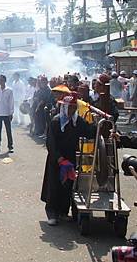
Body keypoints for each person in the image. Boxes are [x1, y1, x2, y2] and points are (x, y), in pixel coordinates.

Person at [41, 93, 95, 226]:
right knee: (54, 185)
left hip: (70, 159)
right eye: (69, 108)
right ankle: (52, 213)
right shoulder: (55, 121)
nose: (71, 111)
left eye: (73, 108)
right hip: (56, 159)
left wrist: (100, 125)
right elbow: (51, 143)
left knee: (67, 186)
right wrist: (59, 159)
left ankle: (63, 212)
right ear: (64, 107)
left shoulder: (78, 122)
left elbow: (89, 132)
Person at [0, 74, 15, 153]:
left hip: (6, 113)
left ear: (5, 81)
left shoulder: (9, 90)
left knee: (8, 131)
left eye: (2, 80)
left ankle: (10, 146)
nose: (1, 82)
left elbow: (11, 102)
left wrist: (11, 113)